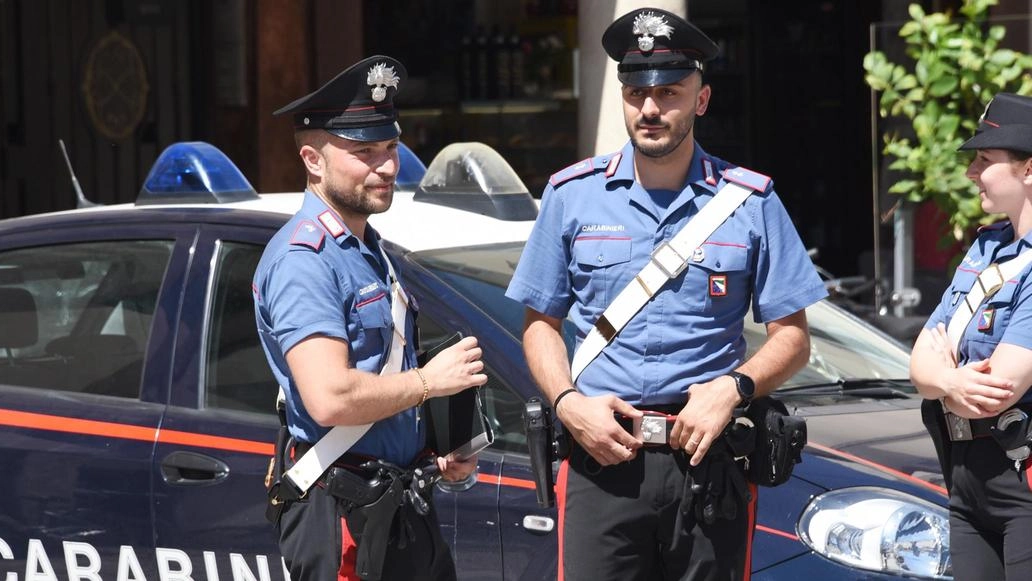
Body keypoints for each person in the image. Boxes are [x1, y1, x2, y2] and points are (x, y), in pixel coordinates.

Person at [505, 8, 827, 581]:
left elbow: (794, 339)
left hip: (706, 462)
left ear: (701, 100)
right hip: (601, 458)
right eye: (636, 93)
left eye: (669, 93)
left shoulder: (750, 203)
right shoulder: (570, 195)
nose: (650, 108)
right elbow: (540, 325)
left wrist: (733, 389)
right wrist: (568, 405)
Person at [253, 55, 487, 581]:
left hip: (396, 503)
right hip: (346, 517)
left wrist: (433, 450)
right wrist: (429, 382)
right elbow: (330, 396)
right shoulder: (304, 260)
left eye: (390, 147)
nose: (385, 166)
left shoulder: (366, 247)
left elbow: (379, 375)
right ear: (313, 161)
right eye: (363, 152)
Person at [910, 92, 1032, 581]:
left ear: (1028, 170)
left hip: (1021, 480)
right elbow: (919, 362)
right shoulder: (987, 248)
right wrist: (951, 383)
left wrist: (947, 381)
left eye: (985, 160)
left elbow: (998, 388)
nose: (970, 172)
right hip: (967, 476)